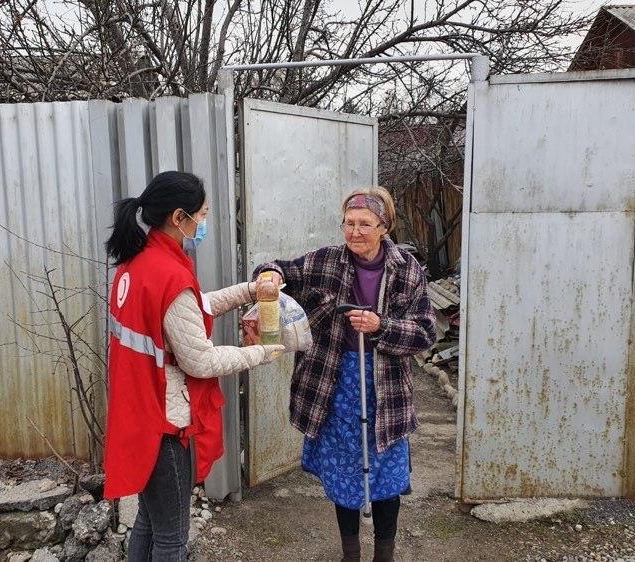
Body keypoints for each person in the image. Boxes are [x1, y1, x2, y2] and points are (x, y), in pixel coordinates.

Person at [104, 171, 284, 561]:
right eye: (201, 215)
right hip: (165, 423)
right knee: (171, 537)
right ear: (179, 217)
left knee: (149, 524)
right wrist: (260, 354)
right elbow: (200, 360)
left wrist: (251, 291)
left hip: (138, 412)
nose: (203, 223)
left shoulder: (138, 262)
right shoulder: (169, 274)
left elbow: (191, 307)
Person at [253, 187, 436, 562]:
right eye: (349, 223)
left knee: (386, 476)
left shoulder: (407, 269)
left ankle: (384, 555)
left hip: (387, 388)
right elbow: (276, 269)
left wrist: (381, 326)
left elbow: (425, 333)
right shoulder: (325, 260)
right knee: (343, 475)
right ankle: (349, 554)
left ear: (384, 227)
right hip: (336, 383)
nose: (354, 232)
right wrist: (268, 275)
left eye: (365, 224)